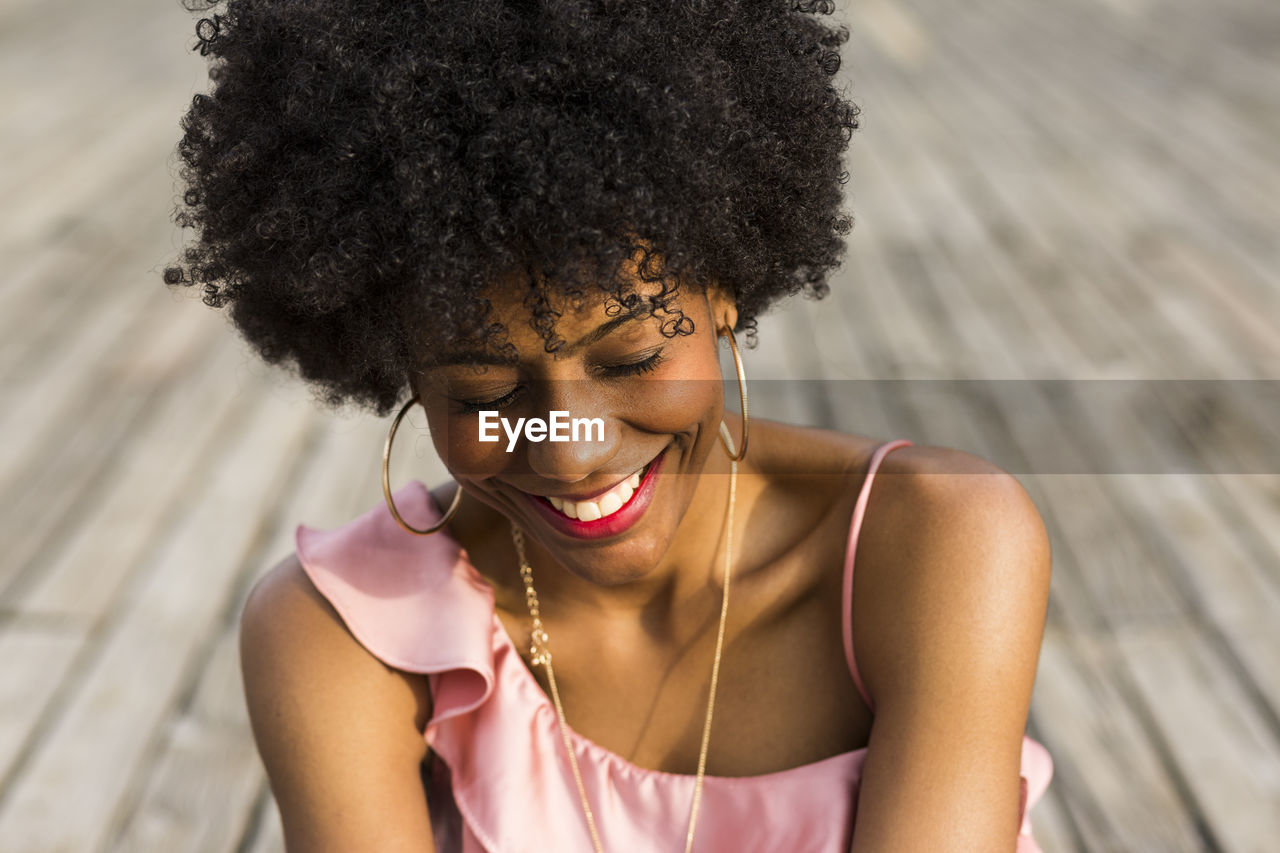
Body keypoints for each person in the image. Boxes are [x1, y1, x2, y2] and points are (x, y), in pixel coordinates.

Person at [165, 1, 1054, 850]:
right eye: (484, 393)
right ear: (400, 372)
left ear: (721, 290)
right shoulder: (344, 637)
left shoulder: (939, 542)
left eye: (628, 359)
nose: (569, 446)